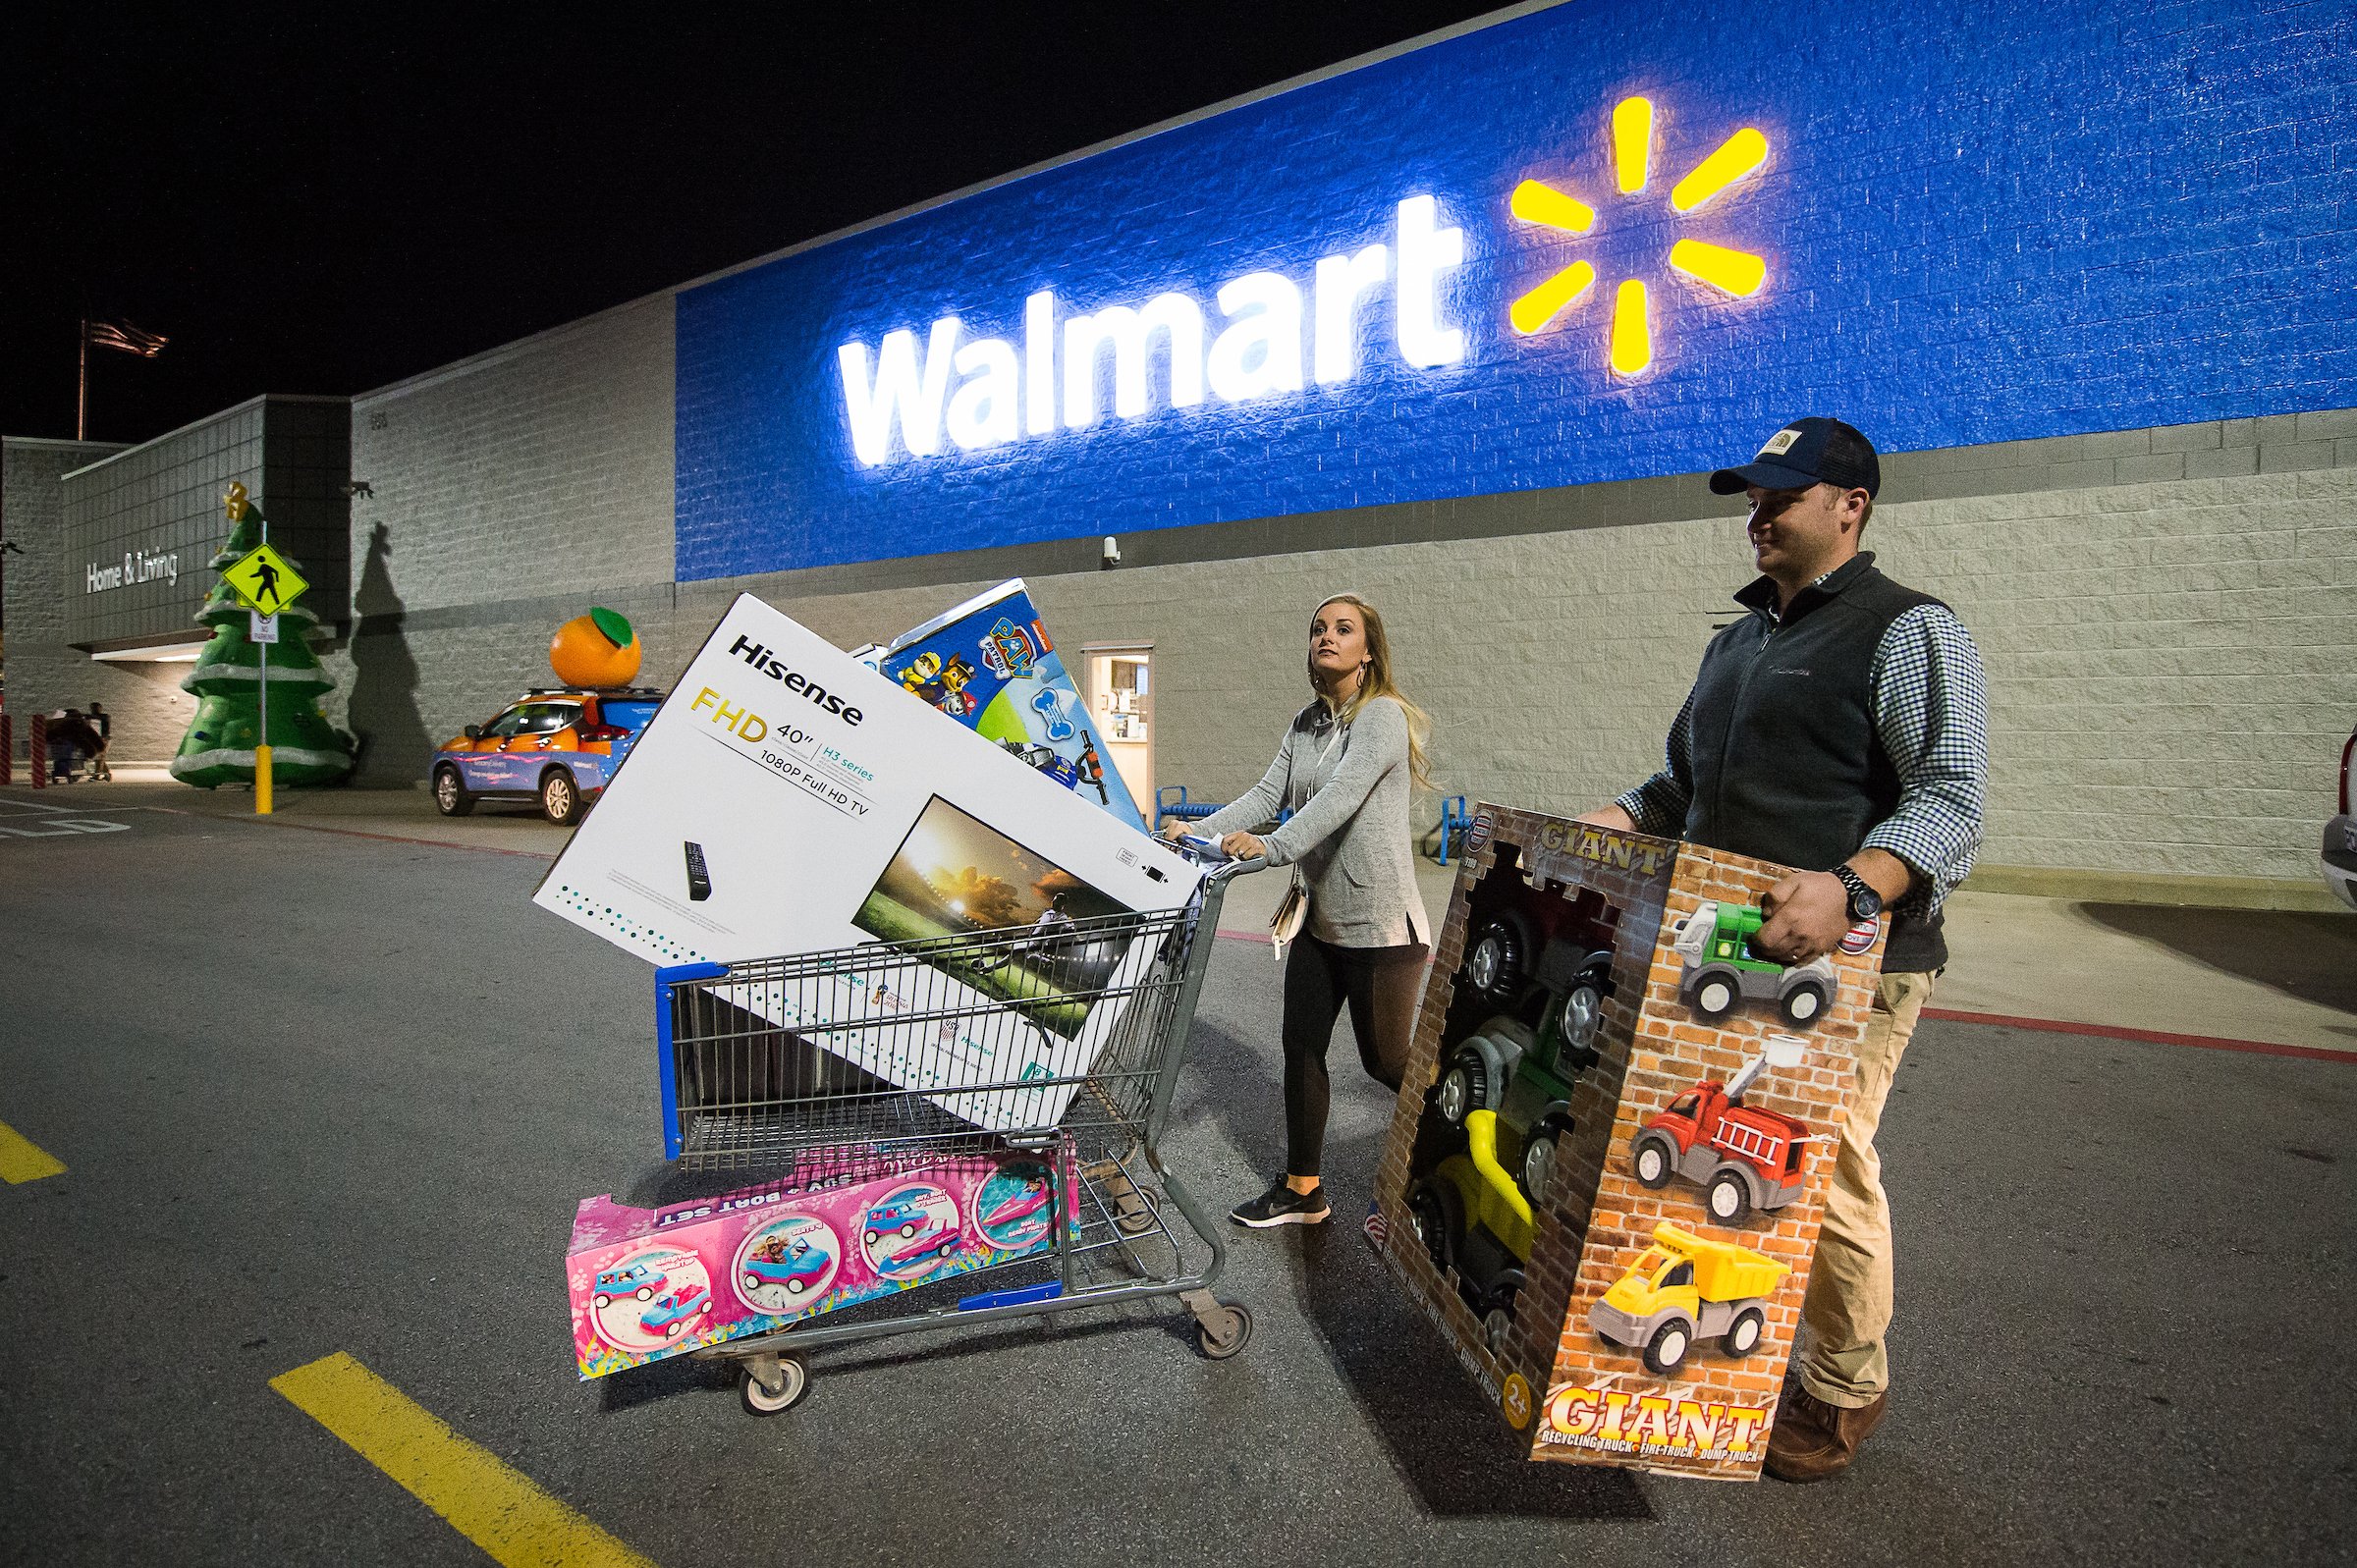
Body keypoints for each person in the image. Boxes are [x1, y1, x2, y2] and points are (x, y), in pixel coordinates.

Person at [1580, 416, 1988, 1484]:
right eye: (1752, 497)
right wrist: (1618, 819)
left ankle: (1847, 1384)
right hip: (1730, 954)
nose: (1756, 514)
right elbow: (1683, 784)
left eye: (1780, 496)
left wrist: (1856, 885)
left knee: (1827, 1168)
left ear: (1848, 505)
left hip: (1855, 965)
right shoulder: (1737, 641)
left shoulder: (1906, 630)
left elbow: (1952, 801)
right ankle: (1717, 1347)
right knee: (1730, 1160)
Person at [1164, 594, 1435, 1228]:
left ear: (1369, 650)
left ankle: (1469, 1135)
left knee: (1387, 1062)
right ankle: (1303, 1190)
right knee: (1303, 1048)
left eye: (1344, 629)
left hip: (1380, 926)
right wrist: (1197, 832)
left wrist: (1271, 847)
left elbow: (1337, 800)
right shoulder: (1307, 722)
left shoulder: (1383, 717)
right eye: (1318, 628)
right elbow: (1268, 793)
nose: (1327, 637)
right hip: (1320, 918)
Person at [84, 700, 112, 781]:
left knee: (100, 756)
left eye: (95, 708)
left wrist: (89, 717)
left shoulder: (105, 717)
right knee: (99, 756)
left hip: (105, 738)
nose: (93, 710)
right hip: (97, 738)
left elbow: (100, 719)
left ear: (100, 708)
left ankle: (97, 775)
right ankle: (107, 774)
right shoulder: (92, 717)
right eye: (92, 708)